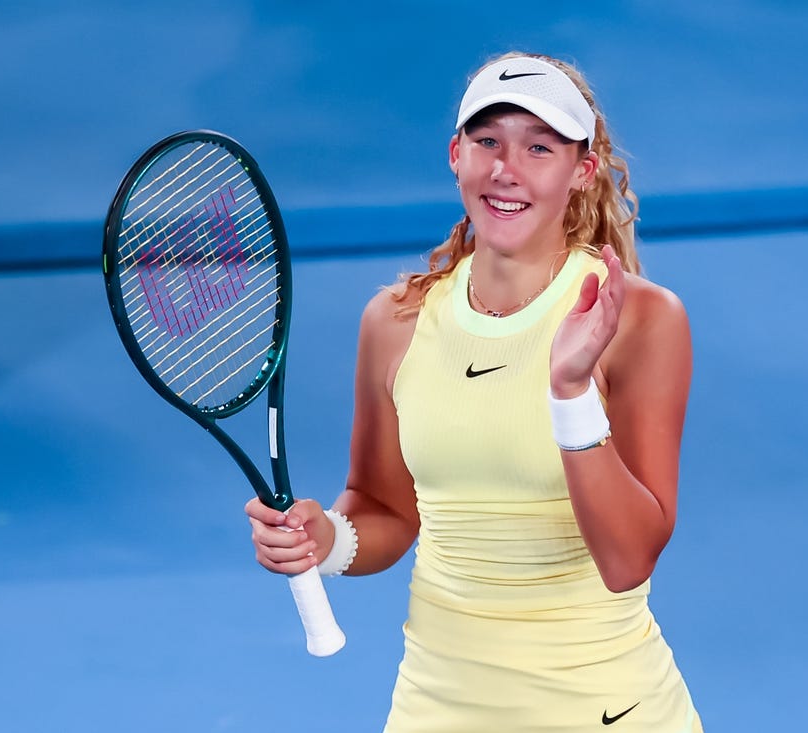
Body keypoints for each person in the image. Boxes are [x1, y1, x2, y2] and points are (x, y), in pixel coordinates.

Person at [246, 51, 702, 732]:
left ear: (580, 171)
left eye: (538, 147)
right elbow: (385, 509)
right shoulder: (394, 322)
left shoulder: (640, 318)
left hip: (606, 712)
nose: (504, 169)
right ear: (455, 155)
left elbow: (627, 559)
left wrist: (570, 389)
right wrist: (325, 538)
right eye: (487, 141)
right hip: (436, 709)